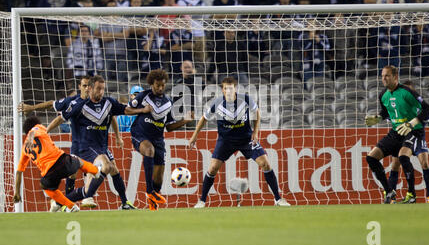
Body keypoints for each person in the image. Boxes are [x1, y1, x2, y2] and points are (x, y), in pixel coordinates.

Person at [188, 77, 291, 208]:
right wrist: (194, 136)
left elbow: (257, 113)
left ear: (235, 89)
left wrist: (256, 132)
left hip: (246, 139)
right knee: (213, 168)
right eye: (226, 88)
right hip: (225, 140)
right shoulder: (217, 103)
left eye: (231, 88)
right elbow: (204, 119)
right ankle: (202, 201)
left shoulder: (246, 99)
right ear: (222, 90)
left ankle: (278, 199)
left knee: (265, 163)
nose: (229, 91)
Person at [58, 75, 152, 210]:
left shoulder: (107, 103)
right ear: (87, 88)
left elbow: (116, 114)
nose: (100, 91)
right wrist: (47, 129)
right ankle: (72, 200)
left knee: (113, 169)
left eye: (102, 89)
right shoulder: (77, 103)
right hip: (83, 145)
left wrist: (119, 135)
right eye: (97, 88)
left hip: (101, 144)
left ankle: (124, 202)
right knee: (76, 172)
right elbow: (61, 116)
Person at [364, 65, 429, 204]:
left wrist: (412, 123)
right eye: (382, 76)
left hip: (413, 130)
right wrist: (377, 118)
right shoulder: (383, 95)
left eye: (387, 75)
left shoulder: (407, 92)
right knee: (371, 157)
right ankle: (389, 191)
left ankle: (412, 194)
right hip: (396, 132)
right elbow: (386, 112)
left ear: (395, 77)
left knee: (403, 156)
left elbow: (427, 109)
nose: (383, 78)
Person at [129, 69, 193, 210]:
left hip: (158, 139)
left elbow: (169, 127)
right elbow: (127, 110)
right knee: (149, 150)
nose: (160, 88)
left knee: (159, 177)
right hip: (140, 135)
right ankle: (149, 191)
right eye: (157, 85)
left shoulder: (168, 102)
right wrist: (142, 110)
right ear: (152, 83)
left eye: (162, 85)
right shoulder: (142, 97)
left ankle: (153, 204)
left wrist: (185, 120)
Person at [14, 115, 101, 212]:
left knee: (45, 186)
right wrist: (30, 137)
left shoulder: (24, 149)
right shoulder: (38, 127)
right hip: (61, 161)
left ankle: (71, 206)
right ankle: (96, 171)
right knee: (79, 162)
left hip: (49, 173)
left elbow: (19, 171)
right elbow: (33, 131)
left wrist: (17, 192)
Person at [387, 80, 429, 204]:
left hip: (417, 137)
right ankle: (391, 197)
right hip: (401, 137)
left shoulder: (418, 105)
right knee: (395, 164)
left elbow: (426, 116)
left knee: (424, 163)